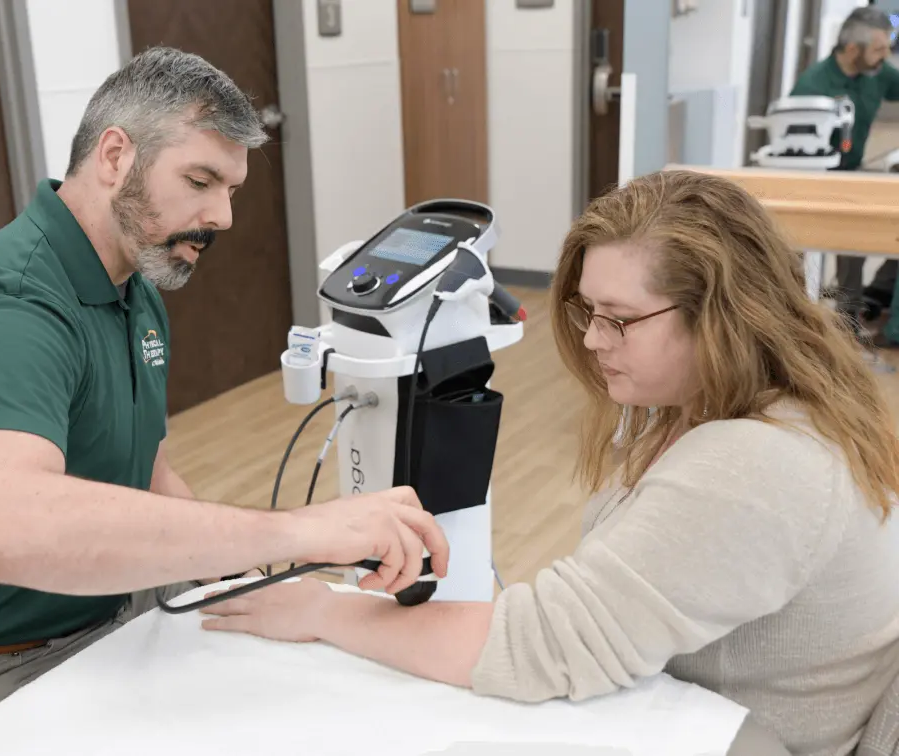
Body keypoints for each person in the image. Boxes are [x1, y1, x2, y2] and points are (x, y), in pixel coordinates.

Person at [201, 169, 899, 756]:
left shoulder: (756, 464)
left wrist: (325, 611)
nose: (593, 338)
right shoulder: (721, 403)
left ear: (722, 317)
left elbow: (537, 646)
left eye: (619, 318)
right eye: (589, 310)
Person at [0, 46, 448, 747]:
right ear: (115, 156)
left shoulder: (136, 292)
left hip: (104, 620)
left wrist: (249, 575)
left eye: (232, 191)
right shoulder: (3, 306)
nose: (222, 216)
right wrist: (300, 529)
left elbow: (142, 472)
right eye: (200, 180)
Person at [789, 6, 899, 345]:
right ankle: (794, 325)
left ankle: (847, 325)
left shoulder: (878, 73)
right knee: (799, 251)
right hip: (810, 177)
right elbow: (792, 146)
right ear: (853, 49)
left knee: (855, 246)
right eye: (880, 48)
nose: (886, 55)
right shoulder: (812, 85)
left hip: (852, 174)